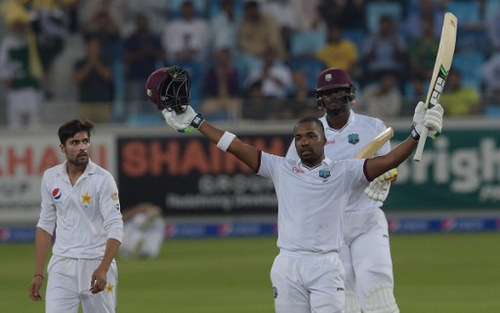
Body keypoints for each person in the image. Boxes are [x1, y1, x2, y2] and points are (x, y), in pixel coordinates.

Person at [144, 66, 444, 313]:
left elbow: (389, 161)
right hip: (288, 262)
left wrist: (417, 134)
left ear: (323, 141)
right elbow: (235, 146)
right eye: (299, 137)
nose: (304, 141)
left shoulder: (342, 171)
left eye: (310, 137)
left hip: (333, 254)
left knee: (378, 298)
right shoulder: (283, 167)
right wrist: (196, 121)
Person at [287, 68, 401, 313]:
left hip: (366, 217)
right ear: (320, 98)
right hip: (328, 227)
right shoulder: (309, 134)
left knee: (377, 292)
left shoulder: (373, 127)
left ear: (349, 93)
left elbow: (387, 169)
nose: (333, 96)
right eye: (327, 93)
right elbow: (292, 179)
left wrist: (386, 177)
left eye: (339, 90)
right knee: (343, 300)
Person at [28, 119, 124, 313]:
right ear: (62, 147)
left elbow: (115, 226)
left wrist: (103, 268)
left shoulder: (103, 179)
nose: (83, 148)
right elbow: (45, 225)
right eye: (75, 143)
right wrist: (38, 273)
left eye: (86, 141)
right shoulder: (51, 177)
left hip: (96, 263)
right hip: (61, 266)